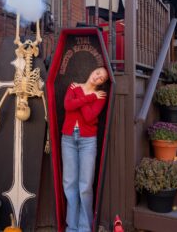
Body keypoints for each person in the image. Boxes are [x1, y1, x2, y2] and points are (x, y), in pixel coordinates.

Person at [61, 67, 109, 232]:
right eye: (97, 73)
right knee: (69, 183)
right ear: (92, 71)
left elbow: (89, 117)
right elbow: (67, 106)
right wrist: (89, 96)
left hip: (87, 141)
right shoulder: (73, 87)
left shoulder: (100, 96)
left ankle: (84, 228)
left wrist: (80, 96)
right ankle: (71, 227)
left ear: (102, 83)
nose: (98, 78)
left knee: (85, 185)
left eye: (102, 79)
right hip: (68, 139)